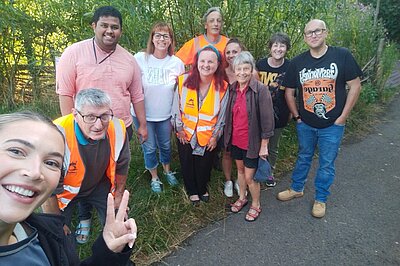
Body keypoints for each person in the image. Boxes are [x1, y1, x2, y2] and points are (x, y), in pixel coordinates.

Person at [0, 111, 136, 266]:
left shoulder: (48, 236)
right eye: (16, 151)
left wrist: (108, 252)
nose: (35, 172)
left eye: (51, 162)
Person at [277, 19, 362, 218]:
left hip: (332, 125)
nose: (313, 35)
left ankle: (321, 198)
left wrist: (342, 117)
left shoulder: (342, 56)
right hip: (305, 123)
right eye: (309, 33)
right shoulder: (298, 62)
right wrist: (297, 117)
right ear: (305, 37)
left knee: (326, 163)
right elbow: (289, 92)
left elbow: (355, 85)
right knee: (304, 156)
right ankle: (297, 188)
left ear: (325, 33)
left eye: (317, 31)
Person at [41, 88, 131, 246]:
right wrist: (57, 223)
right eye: (90, 117)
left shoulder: (117, 127)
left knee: (120, 221)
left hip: (99, 186)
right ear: (75, 114)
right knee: (56, 235)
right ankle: (79, 225)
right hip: (64, 192)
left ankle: (112, 252)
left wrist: (118, 196)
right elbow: (47, 191)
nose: (98, 125)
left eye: (104, 116)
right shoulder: (55, 136)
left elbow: (123, 165)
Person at [56, 5, 147, 142]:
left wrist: (143, 125)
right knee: (87, 164)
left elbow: (137, 96)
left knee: (118, 163)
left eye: (114, 27)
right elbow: (65, 94)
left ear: (120, 31)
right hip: (86, 128)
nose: (109, 31)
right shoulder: (73, 53)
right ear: (94, 26)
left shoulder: (129, 59)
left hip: (120, 127)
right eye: (104, 25)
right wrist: (71, 128)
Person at [172, 46, 229, 204]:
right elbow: (175, 108)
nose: (206, 65)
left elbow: (222, 116)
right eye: (202, 61)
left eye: (211, 61)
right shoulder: (183, 81)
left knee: (205, 164)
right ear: (196, 63)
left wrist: (215, 136)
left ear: (217, 64)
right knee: (187, 162)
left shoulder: (223, 87)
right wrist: (179, 130)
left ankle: (202, 188)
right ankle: (192, 190)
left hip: (208, 136)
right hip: (186, 133)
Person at [132, 22, 184, 193]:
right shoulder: (140, 59)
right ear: (152, 39)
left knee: (166, 145)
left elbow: (180, 92)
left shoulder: (176, 63)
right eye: (158, 35)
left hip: (165, 115)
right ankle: (154, 177)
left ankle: (167, 171)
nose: (162, 39)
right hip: (143, 115)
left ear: (170, 40)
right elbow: (131, 85)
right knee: (149, 147)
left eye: (166, 36)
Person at [224, 51, 274, 222]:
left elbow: (267, 120)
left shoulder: (260, 90)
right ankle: (242, 198)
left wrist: (264, 144)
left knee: (250, 177)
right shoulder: (232, 89)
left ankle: (256, 204)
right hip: (236, 140)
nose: (242, 72)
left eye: (246, 68)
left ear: (252, 69)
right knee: (239, 171)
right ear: (234, 70)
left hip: (252, 142)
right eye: (239, 69)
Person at [222, 38, 258, 197]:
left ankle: (240, 180)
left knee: (243, 155)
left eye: (234, 51)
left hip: (245, 122)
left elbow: (256, 97)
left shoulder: (252, 73)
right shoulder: (221, 72)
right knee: (227, 152)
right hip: (227, 119)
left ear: (241, 52)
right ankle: (228, 180)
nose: (231, 55)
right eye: (228, 52)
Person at [256, 32, 292, 188]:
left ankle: (269, 172)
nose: (278, 48)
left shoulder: (290, 67)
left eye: (282, 45)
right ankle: (257, 170)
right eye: (275, 45)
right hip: (259, 113)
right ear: (270, 47)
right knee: (257, 144)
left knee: (273, 146)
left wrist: (292, 112)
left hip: (279, 113)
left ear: (286, 48)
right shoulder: (260, 65)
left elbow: (293, 92)